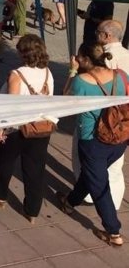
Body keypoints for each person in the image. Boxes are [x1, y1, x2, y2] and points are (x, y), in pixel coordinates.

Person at [58, 42, 128, 246]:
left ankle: (113, 232)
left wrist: (72, 70)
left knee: (98, 184)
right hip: (119, 137)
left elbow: (65, 99)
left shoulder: (81, 81)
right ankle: (70, 202)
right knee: (91, 174)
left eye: (79, 57)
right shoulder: (121, 75)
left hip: (92, 140)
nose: (77, 60)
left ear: (86, 60)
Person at [0, 34, 54, 224]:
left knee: (6, 162)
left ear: (23, 53)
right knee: (35, 169)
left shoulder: (16, 74)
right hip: (41, 126)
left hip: (18, 128)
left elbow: (12, 105)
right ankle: (32, 210)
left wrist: (1, 129)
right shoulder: (47, 72)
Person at [71, 20, 129, 210]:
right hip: (121, 122)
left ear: (106, 36)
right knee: (115, 167)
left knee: (91, 165)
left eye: (98, 32)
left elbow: (76, 92)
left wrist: (73, 70)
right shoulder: (127, 56)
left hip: (97, 123)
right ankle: (113, 200)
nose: (95, 35)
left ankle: (97, 203)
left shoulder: (103, 58)